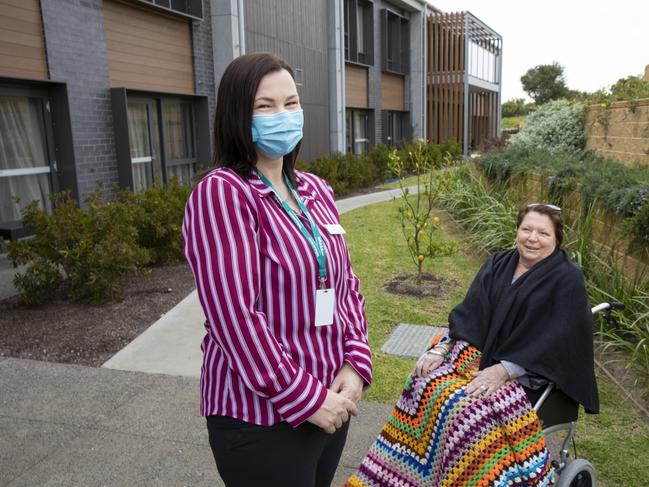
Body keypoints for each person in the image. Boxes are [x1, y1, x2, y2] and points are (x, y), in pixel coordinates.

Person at [182, 52, 372, 487]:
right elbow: (235, 319)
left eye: (291, 103)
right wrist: (306, 398)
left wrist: (356, 363)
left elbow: (345, 286)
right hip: (260, 418)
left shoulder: (315, 189)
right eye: (264, 106)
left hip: (330, 402)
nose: (282, 115)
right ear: (237, 116)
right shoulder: (224, 194)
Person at [345, 203, 598, 487]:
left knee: (463, 414)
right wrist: (441, 349)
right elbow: (471, 313)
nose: (532, 238)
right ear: (517, 230)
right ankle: (407, 473)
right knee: (424, 383)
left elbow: (555, 338)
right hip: (482, 359)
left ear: (556, 239)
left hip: (531, 376)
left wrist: (504, 370)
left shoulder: (567, 278)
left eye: (543, 233)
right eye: (526, 229)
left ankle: (460, 476)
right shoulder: (500, 263)